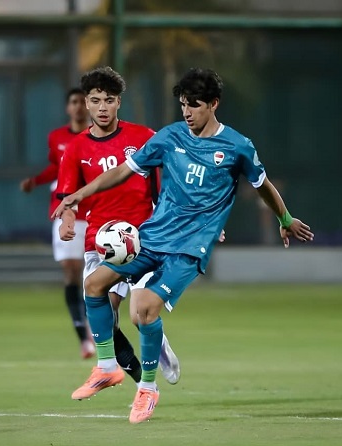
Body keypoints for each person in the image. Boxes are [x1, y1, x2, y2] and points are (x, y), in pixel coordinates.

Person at [53, 68, 315, 424]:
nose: (187, 112)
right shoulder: (170, 136)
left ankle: (147, 389)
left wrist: (285, 219)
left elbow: (263, 185)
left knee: (144, 310)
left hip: (188, 249)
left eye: (194, 105)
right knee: (93, 284)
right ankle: (106, 366)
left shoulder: (237, 146)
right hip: (151, 238)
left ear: (214, 104)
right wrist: (79, 195)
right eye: (183, 105)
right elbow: (122, 171)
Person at [55, 67, 181, 389]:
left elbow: (173, 179)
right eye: (96, 100)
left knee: (140, 315)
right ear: (86, 103)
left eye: (109, 100)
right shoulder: (76, 148)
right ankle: (140, 381)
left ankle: (156, 342)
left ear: (118, 103)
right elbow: (68, 196)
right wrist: (67, 220)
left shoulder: (143, 137)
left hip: (142, 237)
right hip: (99, 241)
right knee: (104, 318)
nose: (102, 107)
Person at [19, 88, 94, 359]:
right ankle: (83, 337)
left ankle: (96, 329)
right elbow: (56, 167)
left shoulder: (98, 136)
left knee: (93, 277)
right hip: (66, 211)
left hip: (94, 211)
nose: (79, 107)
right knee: (71, 270)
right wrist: (36, 181)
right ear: (67, 108)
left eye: (83, 102)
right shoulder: (57, 137)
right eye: (74, 102)